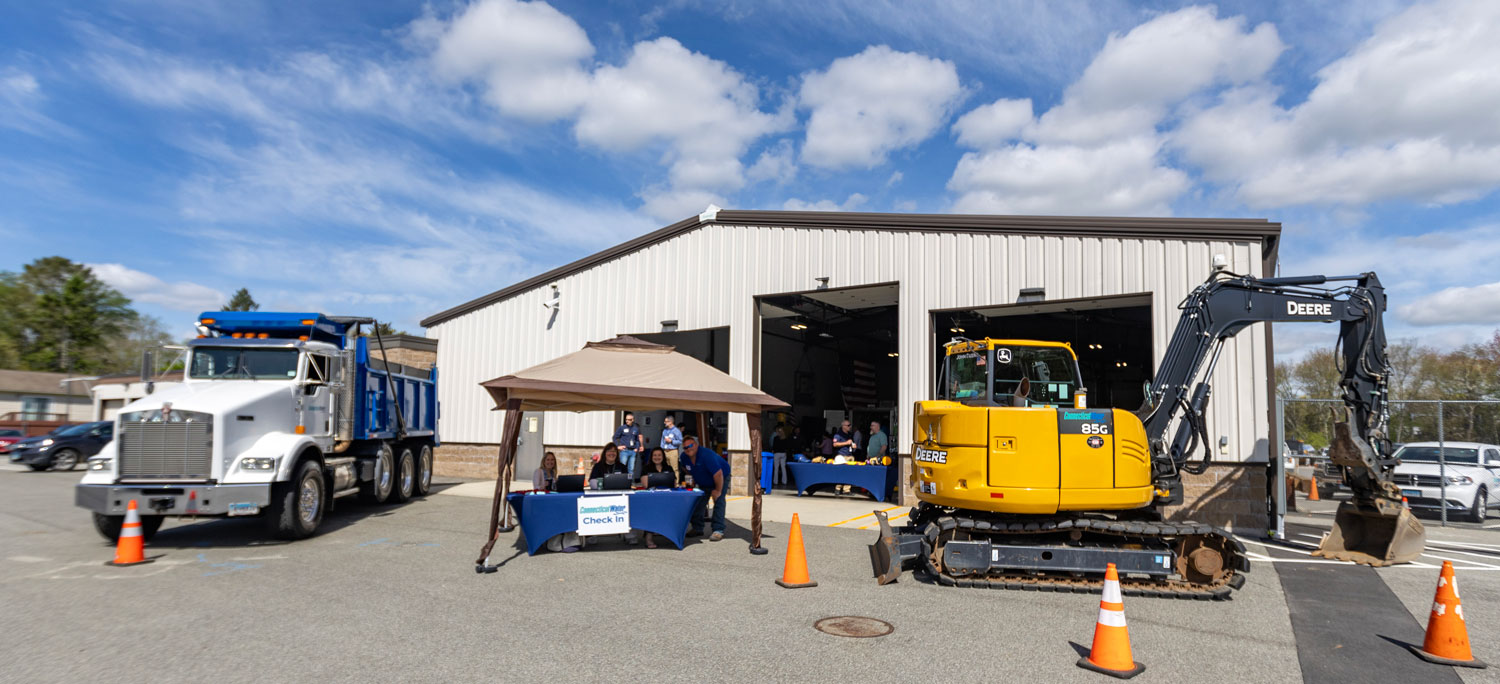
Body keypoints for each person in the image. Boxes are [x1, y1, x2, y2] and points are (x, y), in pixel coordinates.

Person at [680, 435, 730, 541]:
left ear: (697, 445)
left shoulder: (706, 455)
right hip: (703, 480)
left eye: (690, 445)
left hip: (720, 478)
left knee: (719, 501)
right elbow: (686, 469)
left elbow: (718, 474)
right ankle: (697, 528)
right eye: (685, 447)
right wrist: (692, 480)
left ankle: (718, 530)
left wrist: (717, 490)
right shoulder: (684, 457)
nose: (688, 448)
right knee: (698, 502)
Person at [638, 448, 676, 549]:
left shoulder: (669, 468)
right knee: (652, 510)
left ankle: (672, 535)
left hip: (667, 497)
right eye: (655, 455)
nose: (657, 457)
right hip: (651, 498)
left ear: (663, 457)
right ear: (651, 457)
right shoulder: (646, 468)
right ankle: (649, 537)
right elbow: (646, 484)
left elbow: (674, 484)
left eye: (659, 455)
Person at [612, 412, 646, 478]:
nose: (627, 421)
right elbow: (615, 437)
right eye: (626, 419)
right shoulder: (622, 428)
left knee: (631, 469)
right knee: (622, 467)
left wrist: (637, 447)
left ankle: (630, 482)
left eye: (629, 420)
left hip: (633, 451)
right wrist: (618, 446)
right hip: (624, 450)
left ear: (633, 420)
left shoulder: (636, 428)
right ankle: (621, 482)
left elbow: (637, 439)